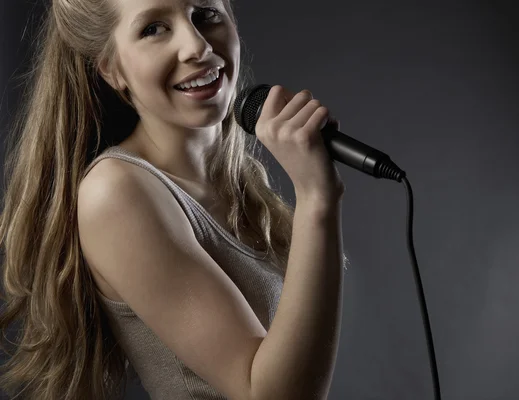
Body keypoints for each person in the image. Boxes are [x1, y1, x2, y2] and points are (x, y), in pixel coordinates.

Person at [0, 0, 350, 399]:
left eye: (205, 14)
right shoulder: (116, 193)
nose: (197, 47)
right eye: (153, 29)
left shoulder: (242, 184)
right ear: (112, 68)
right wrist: (317, 198)